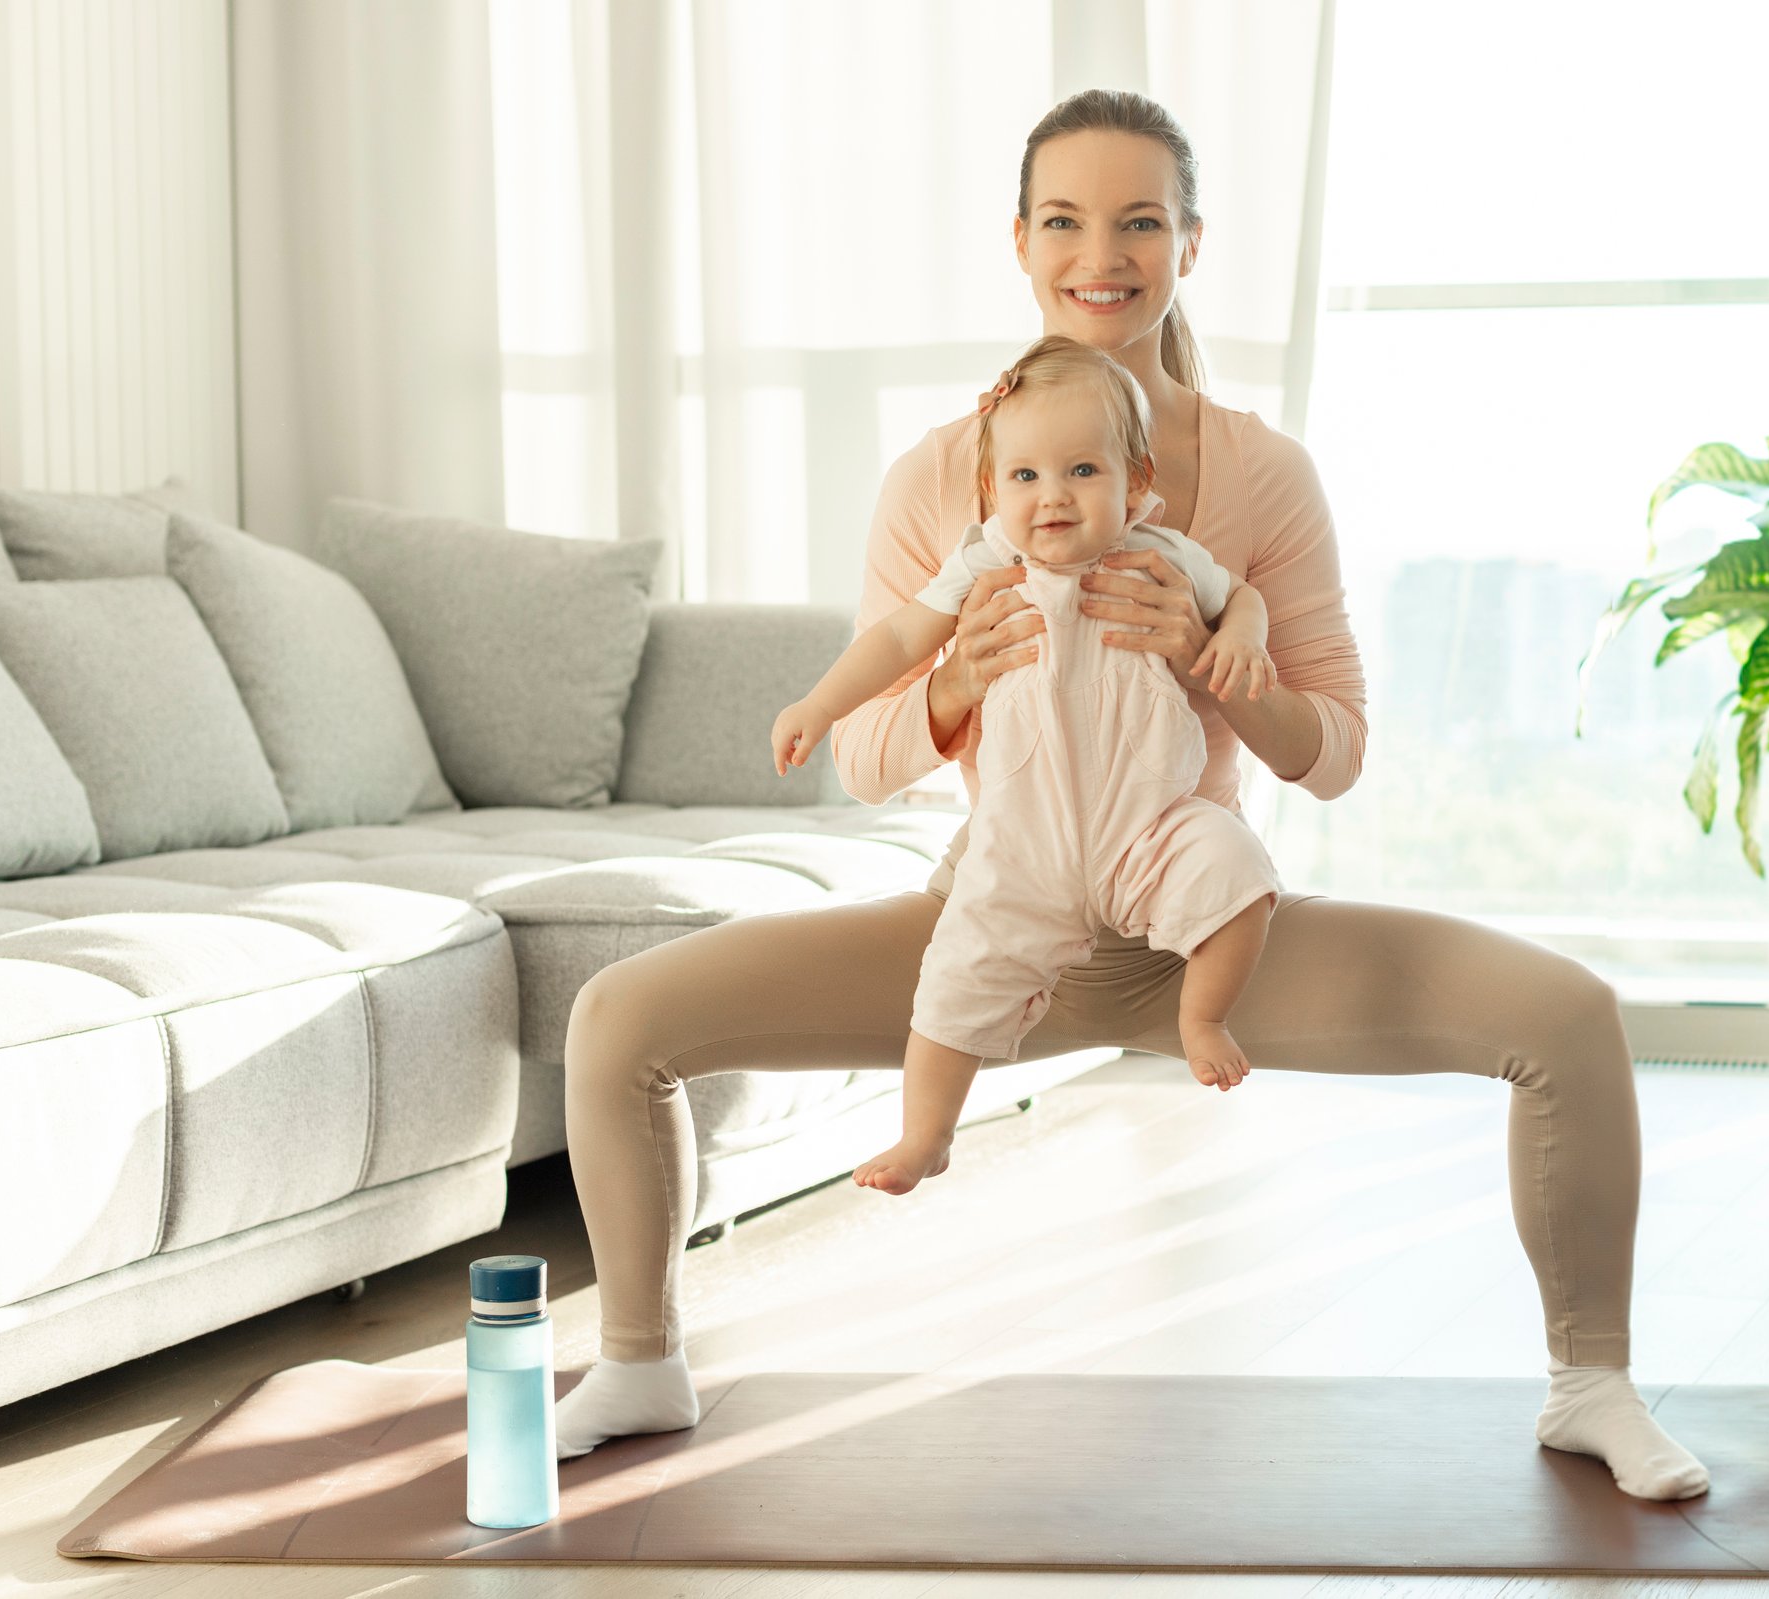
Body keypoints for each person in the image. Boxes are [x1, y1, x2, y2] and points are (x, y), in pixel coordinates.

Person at [551, 87, 1710, 1503]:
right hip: (998, 917)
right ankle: (637, 1356)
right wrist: (956, 685)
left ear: (1190, 245)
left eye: (1139, 221)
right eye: (1065, 220)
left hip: (1194, 920)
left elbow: (1333, 749)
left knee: (1570, 1017)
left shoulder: (1261, 476)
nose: (1101, 254)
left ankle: (1592, 1384)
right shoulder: (951, 478)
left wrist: (1220, 672)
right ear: (1023, 242)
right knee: (618, 1021)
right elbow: (863, 754)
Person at [770, 334, 1284, 1198]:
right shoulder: (982, 565)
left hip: (1147, 826)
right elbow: (896, 638)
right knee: (953, 979)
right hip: (1022, 845)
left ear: (1136, 484)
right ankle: (926, 1134)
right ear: (991, 492)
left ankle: (1202, 1015)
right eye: (1025, 476)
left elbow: (1246, 598)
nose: (1053, 496)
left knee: (1238, 866)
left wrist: (1237, 638)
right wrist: (819, 705)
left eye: (1083, 471)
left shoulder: (1159, 557)